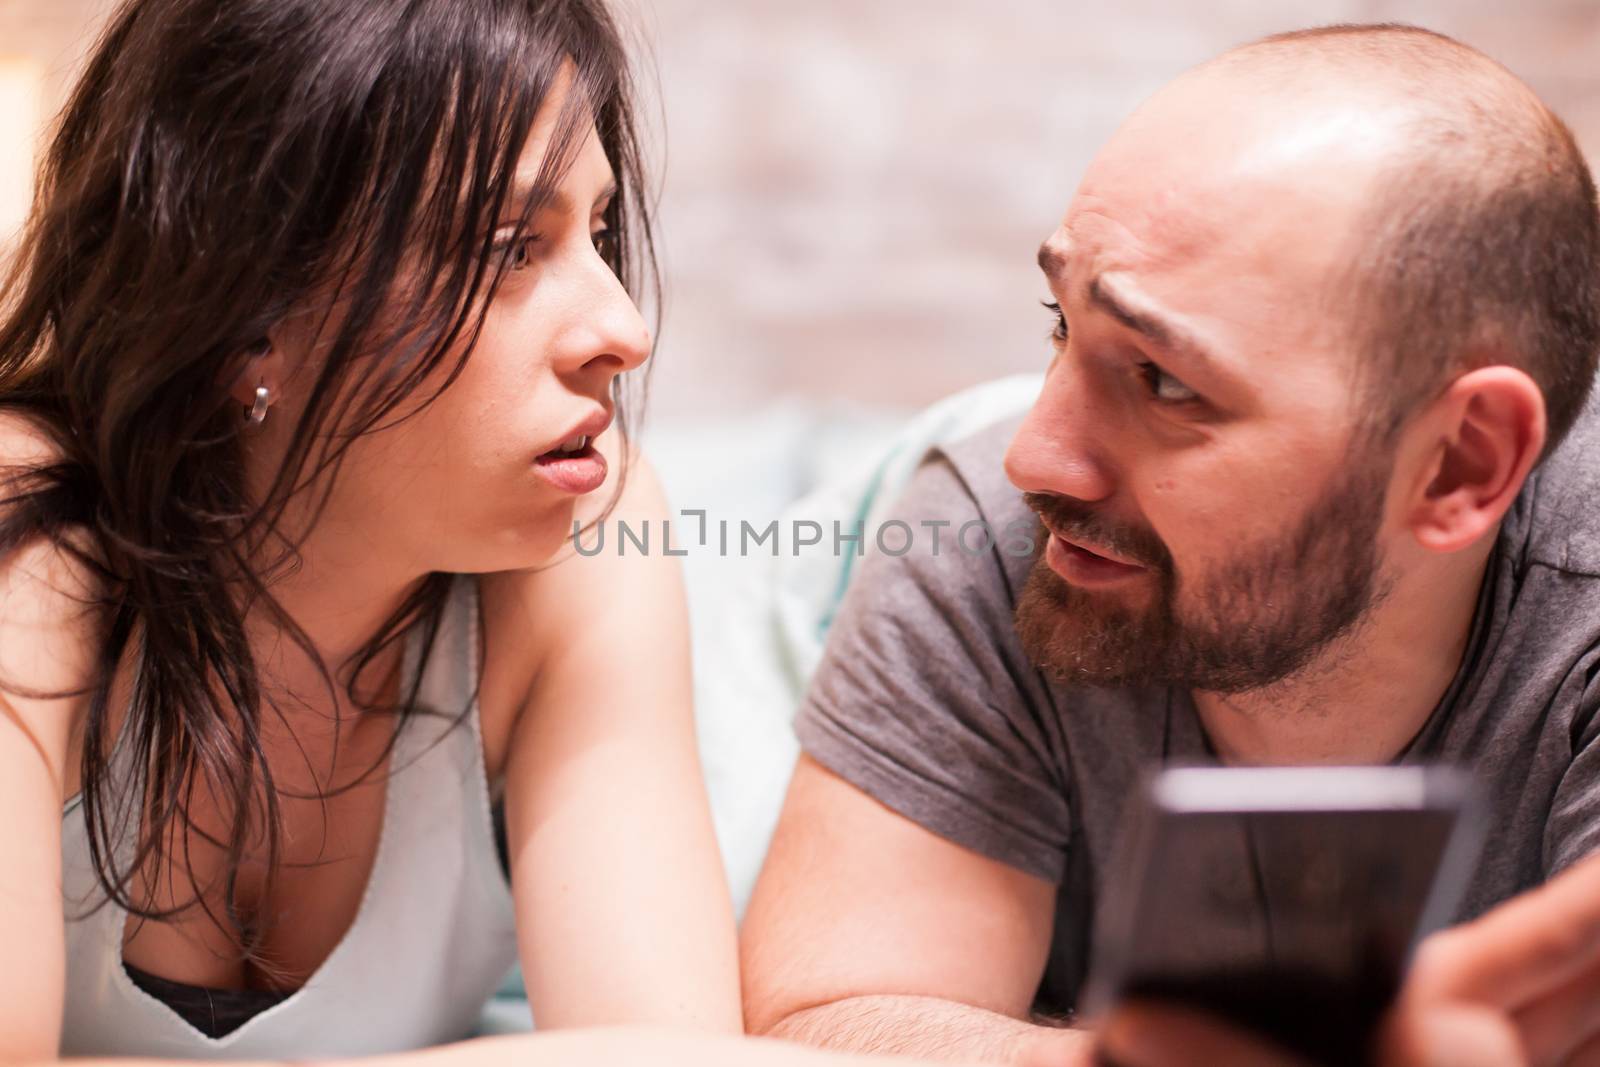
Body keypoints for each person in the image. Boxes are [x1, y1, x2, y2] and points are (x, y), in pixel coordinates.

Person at [0, 4, 974, 1067]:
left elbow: (668, 1049)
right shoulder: (30, 531)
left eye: (599, 234)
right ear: (246, 315)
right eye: (512, 248)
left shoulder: (586, 541)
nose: (623, 331)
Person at [741, 23, 1600, 1067]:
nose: (1034, 456)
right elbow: (825, 1022)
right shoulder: (980, 541)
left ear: (1458, 463)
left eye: (1165, 380)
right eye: (1059, 322)